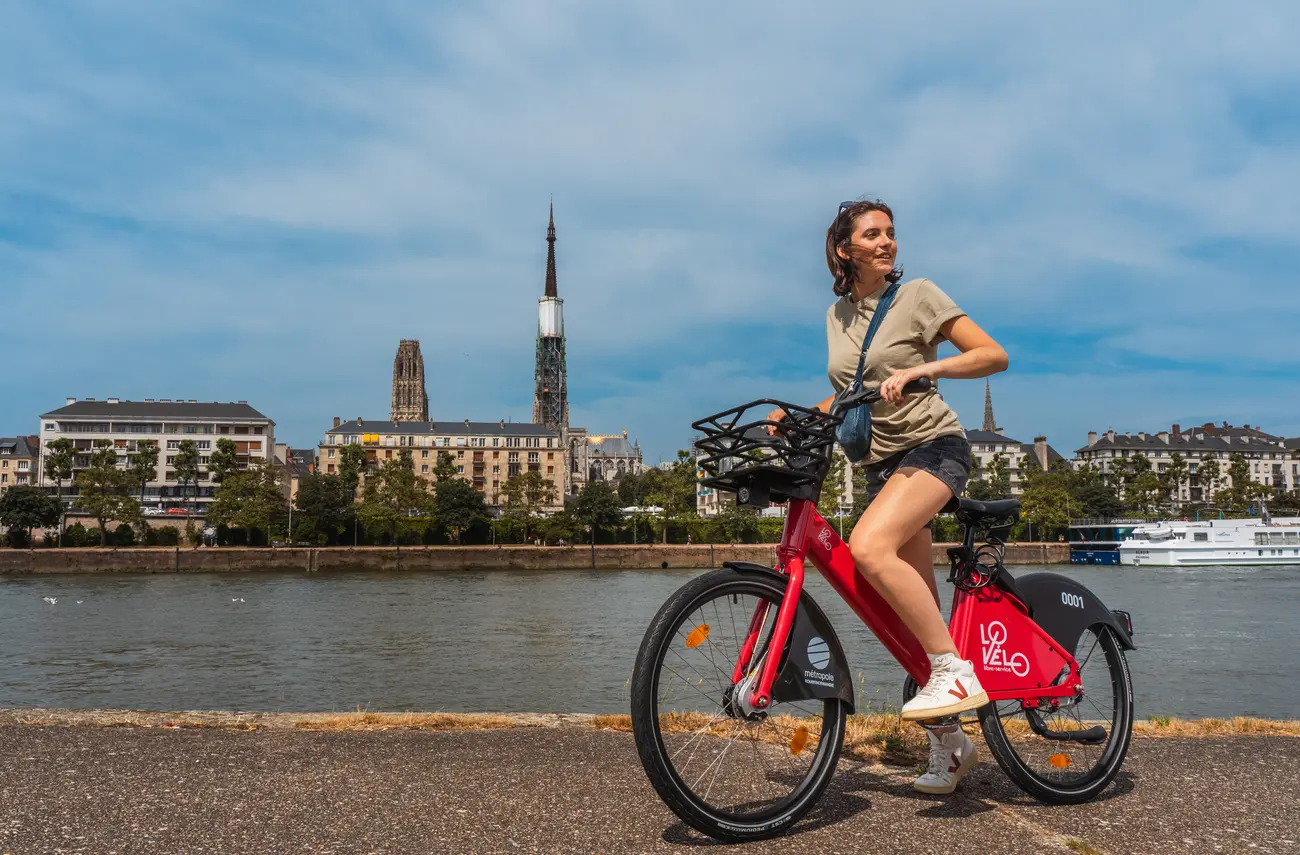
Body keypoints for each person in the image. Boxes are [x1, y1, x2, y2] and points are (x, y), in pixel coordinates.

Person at [767, 199, 1008, 795]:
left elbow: (992, 355)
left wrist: (927, 372)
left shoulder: (919, 295)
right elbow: (854, 393)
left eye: (891, 234)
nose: (886, 242)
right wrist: (798, 417)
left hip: (934, 450)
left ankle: (955, 672)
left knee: (868, 548)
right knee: (913, 620)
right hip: (881, 466)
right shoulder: (837, 316)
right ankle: (951, 745)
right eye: (872, 234)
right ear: (843, 249)